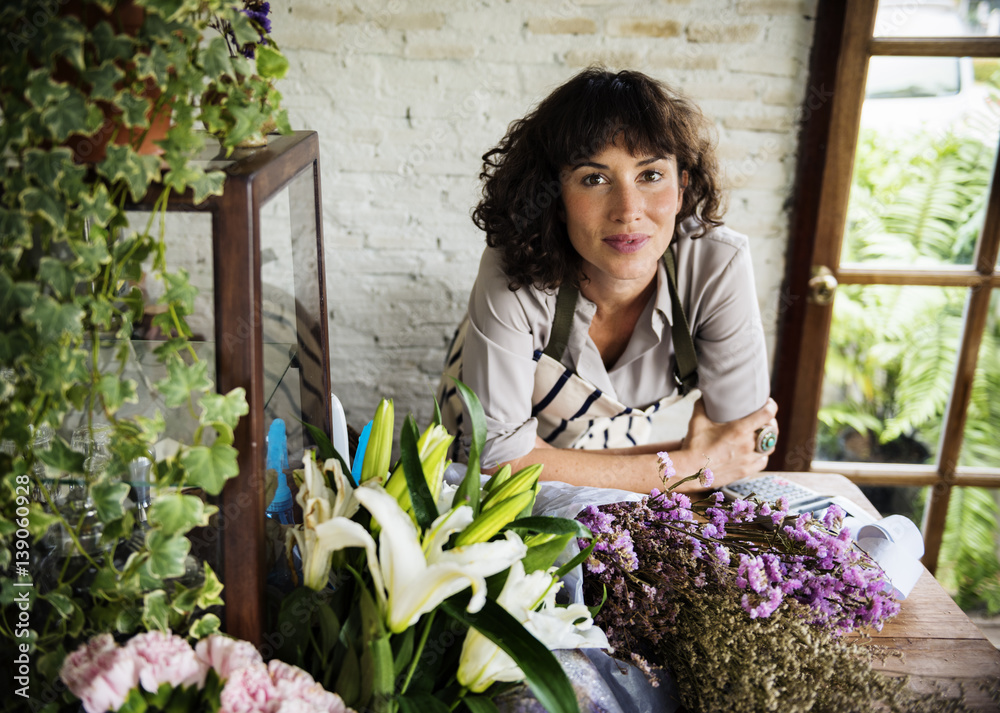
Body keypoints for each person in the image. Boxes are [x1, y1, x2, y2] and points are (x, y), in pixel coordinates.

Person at [439, 67, 778, 494]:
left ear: (681, 185)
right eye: (594, 179)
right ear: (556, 198)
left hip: (590, 450)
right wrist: (691, 464)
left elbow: (744, 442)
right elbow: (492, 462)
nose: (628, 210)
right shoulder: (512, 268)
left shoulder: (717, 264)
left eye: (650, 175)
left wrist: (539, 461)